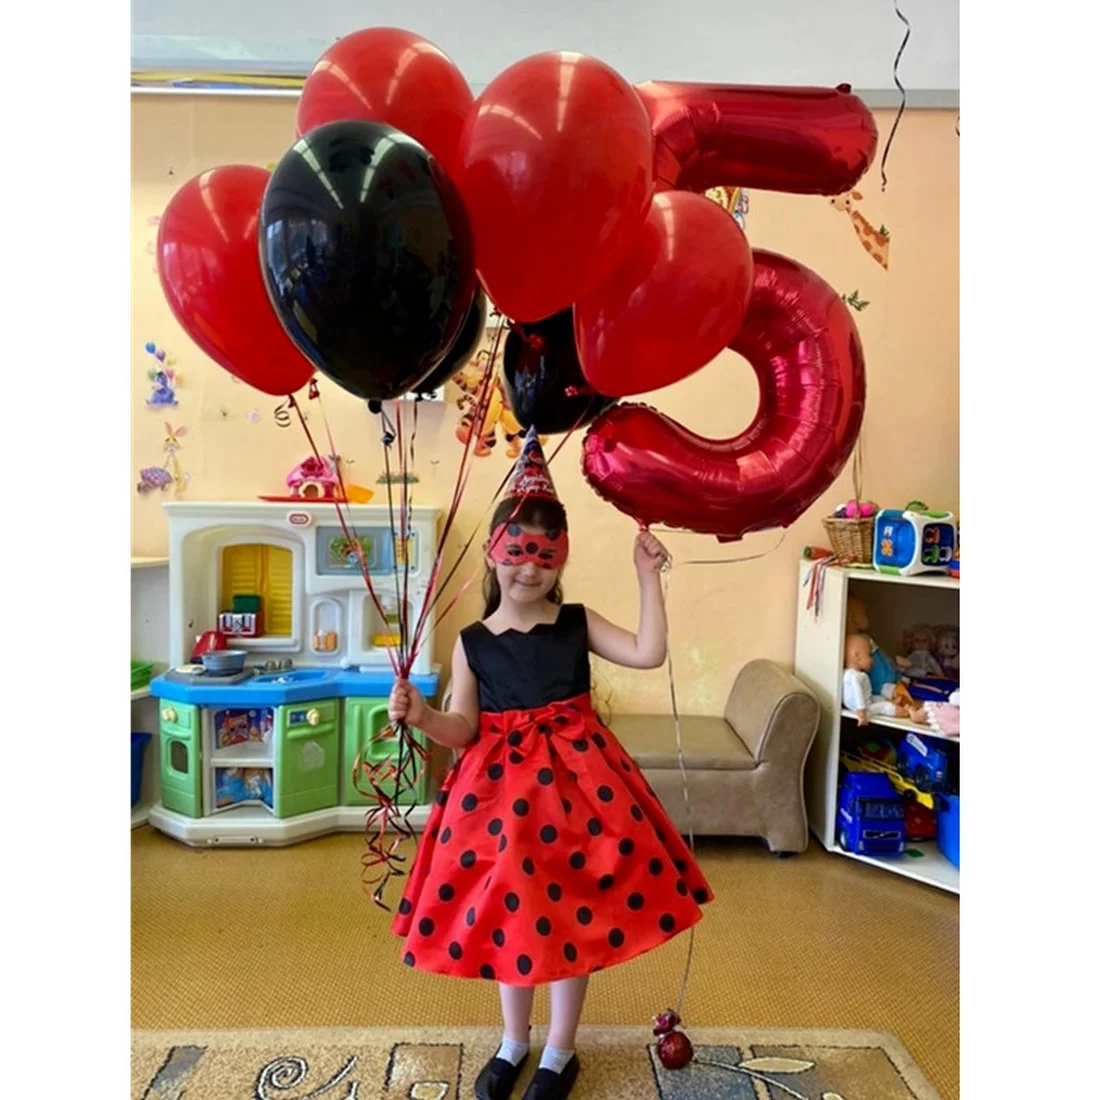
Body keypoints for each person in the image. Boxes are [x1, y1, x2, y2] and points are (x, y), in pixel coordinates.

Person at [388, 429, 714, 1100]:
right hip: (498, 807)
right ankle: (514, 1041)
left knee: (571, 916)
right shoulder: (471, 642)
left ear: (560, 558)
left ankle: (560, 1052)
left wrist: (647, 577)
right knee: (513, 915)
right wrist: (422, 717)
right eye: (517, 552)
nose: (529, 568)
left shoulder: (576, 622)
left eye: (544, 554)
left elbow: (648, 652)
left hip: (580, 800)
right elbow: (462, 728)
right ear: (493, 553)